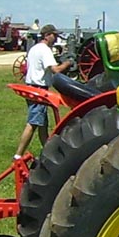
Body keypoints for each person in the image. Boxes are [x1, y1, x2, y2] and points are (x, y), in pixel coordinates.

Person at [13, 24, 72, 159]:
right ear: (46, 35)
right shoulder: (45, 50)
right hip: (39, 90)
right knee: (33, 123)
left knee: (42, 124)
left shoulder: (34, 48)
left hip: (31, 86)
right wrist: (68, 63)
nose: (56, 39)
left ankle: (48, 153)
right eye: (54, 35)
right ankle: (18, 155)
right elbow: (55, 70)